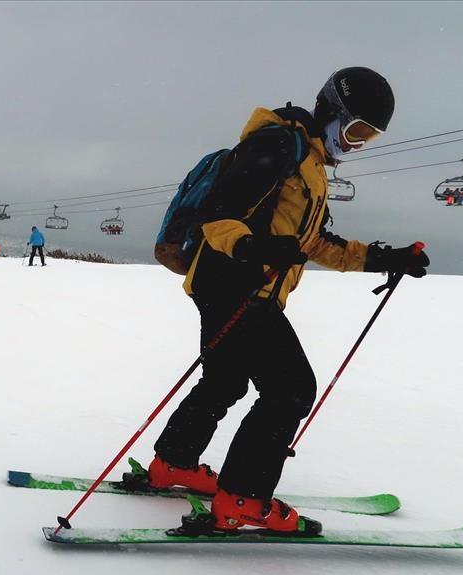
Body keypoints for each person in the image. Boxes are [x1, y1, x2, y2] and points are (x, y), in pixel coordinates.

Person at [141, 67, 428, 535]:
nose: (357, 144)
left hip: (236, 287)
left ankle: (173, 465)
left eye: (369, 138)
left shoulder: (311, 166)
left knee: (225, 380)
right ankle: (243, 500)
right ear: (333, 112)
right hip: (239, 287)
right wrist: (251, 248)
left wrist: (383, 258)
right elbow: (221, 215)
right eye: (356, 130)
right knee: (291, 389)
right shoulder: (278, 146)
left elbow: (313, 243)